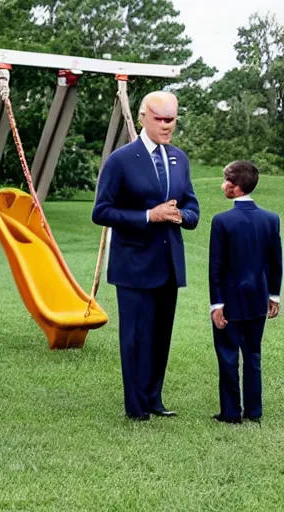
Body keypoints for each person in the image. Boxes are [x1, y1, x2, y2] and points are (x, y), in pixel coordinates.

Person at [92, 91, 199, 420]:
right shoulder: (121, 160)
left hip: (168, 265)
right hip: (134, 266)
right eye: (161, 119)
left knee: (160, 337)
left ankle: (154, 399)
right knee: (136, 338)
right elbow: (102, 212)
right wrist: (147, 216)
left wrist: (181, 216)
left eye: (172, 119)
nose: (168, 125)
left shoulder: (180, 158)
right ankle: (136, 407)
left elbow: (192, 207)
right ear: (142, 117)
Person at [209, 160, 282, 424]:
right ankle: (254, 411)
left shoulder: (221, 221)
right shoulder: (271, 220)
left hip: (228, 301)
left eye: (225, 180)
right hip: (257, 300)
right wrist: (274, 296)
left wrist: (216, 304)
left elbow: (215, 268)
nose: (222, 184)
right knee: (253, 354)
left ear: (235, 187)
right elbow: (277, 262)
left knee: (228, 354)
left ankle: (230, 413)